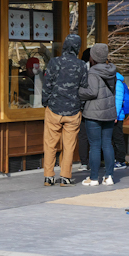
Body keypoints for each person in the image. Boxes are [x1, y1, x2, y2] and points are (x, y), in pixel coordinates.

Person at [41, 35, 88, 187]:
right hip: (73, 111)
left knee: (50, 144)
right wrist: (80, 106)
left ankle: (49, 177)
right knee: (69, 145)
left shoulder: (54, 62)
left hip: (54, 108)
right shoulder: (81, 65)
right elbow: (84, 89)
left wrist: (45, 102)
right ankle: (66, 177)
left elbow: (46, 84)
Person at [78, 43, 117, 186]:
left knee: (94, 145)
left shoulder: (93, 72)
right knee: (107, 144)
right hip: (109, 111)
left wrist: (78, 91)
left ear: (93, 57)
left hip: (94, 112)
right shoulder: (111, 71)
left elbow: (92, 92)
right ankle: (109, 176)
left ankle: (94, 178)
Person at [113, 70, 129, 170]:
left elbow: (118, 99)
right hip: (115, 115)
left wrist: (115, 114)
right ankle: (118, 159)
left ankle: (121, 160)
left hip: (117, 116)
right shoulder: (116, 80)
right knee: (115, 138)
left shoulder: (118, 81)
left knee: (118, 138)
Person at [77, 47, 91, 172]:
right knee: (97, 137)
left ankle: (84, 163)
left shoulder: (81, 69)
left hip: (83, 107)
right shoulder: (106, 70)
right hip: (98, 108)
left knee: (83, 136)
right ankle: (95, 162)